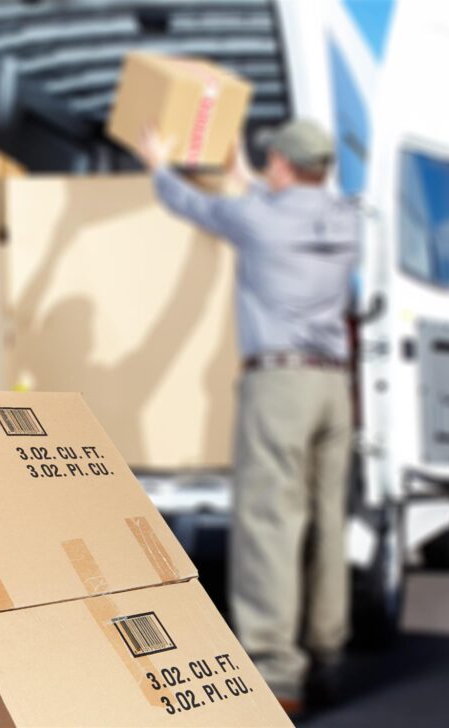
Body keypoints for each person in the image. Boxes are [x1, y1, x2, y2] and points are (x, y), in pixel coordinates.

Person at [139, 119, 360, 715]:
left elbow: (186, 202)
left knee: (270, 524)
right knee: (325, 522)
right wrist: (247, 177)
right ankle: (327, 653)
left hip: (280, 384)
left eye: (272, 162)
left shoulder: (256, 219)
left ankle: (275, 673)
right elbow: (276, 202)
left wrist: (157, 160)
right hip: (334, 388)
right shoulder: (346, 221)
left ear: (283, 165)